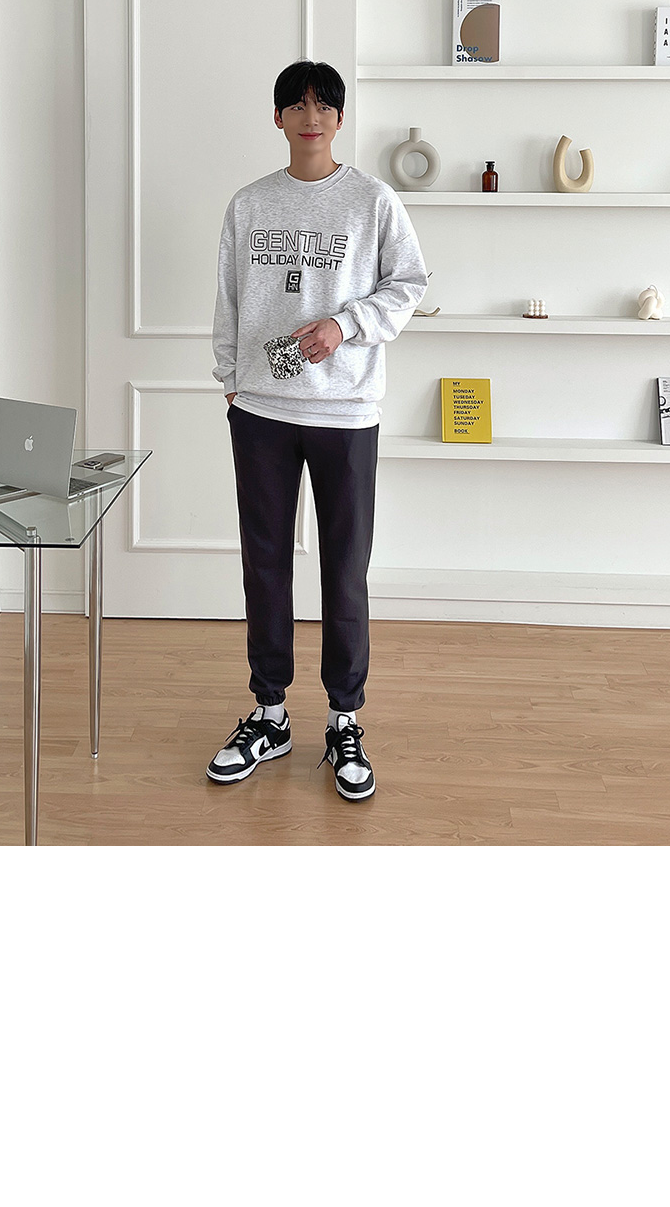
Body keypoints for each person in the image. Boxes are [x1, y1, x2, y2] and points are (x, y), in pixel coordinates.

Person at [207, 60, 428, 800]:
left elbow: (409, 283)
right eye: (296, 105)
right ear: (277, 117)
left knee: (344, 568)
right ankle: (269, 714)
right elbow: (229, 297)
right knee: (264, 563)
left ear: (339, 118)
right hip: (261, 412)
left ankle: (344, 720)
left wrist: (346, 323)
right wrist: (231, 376)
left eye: (323, 105)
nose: (310, 118)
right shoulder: (249, 205)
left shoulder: (372, 201)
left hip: (346, 411)